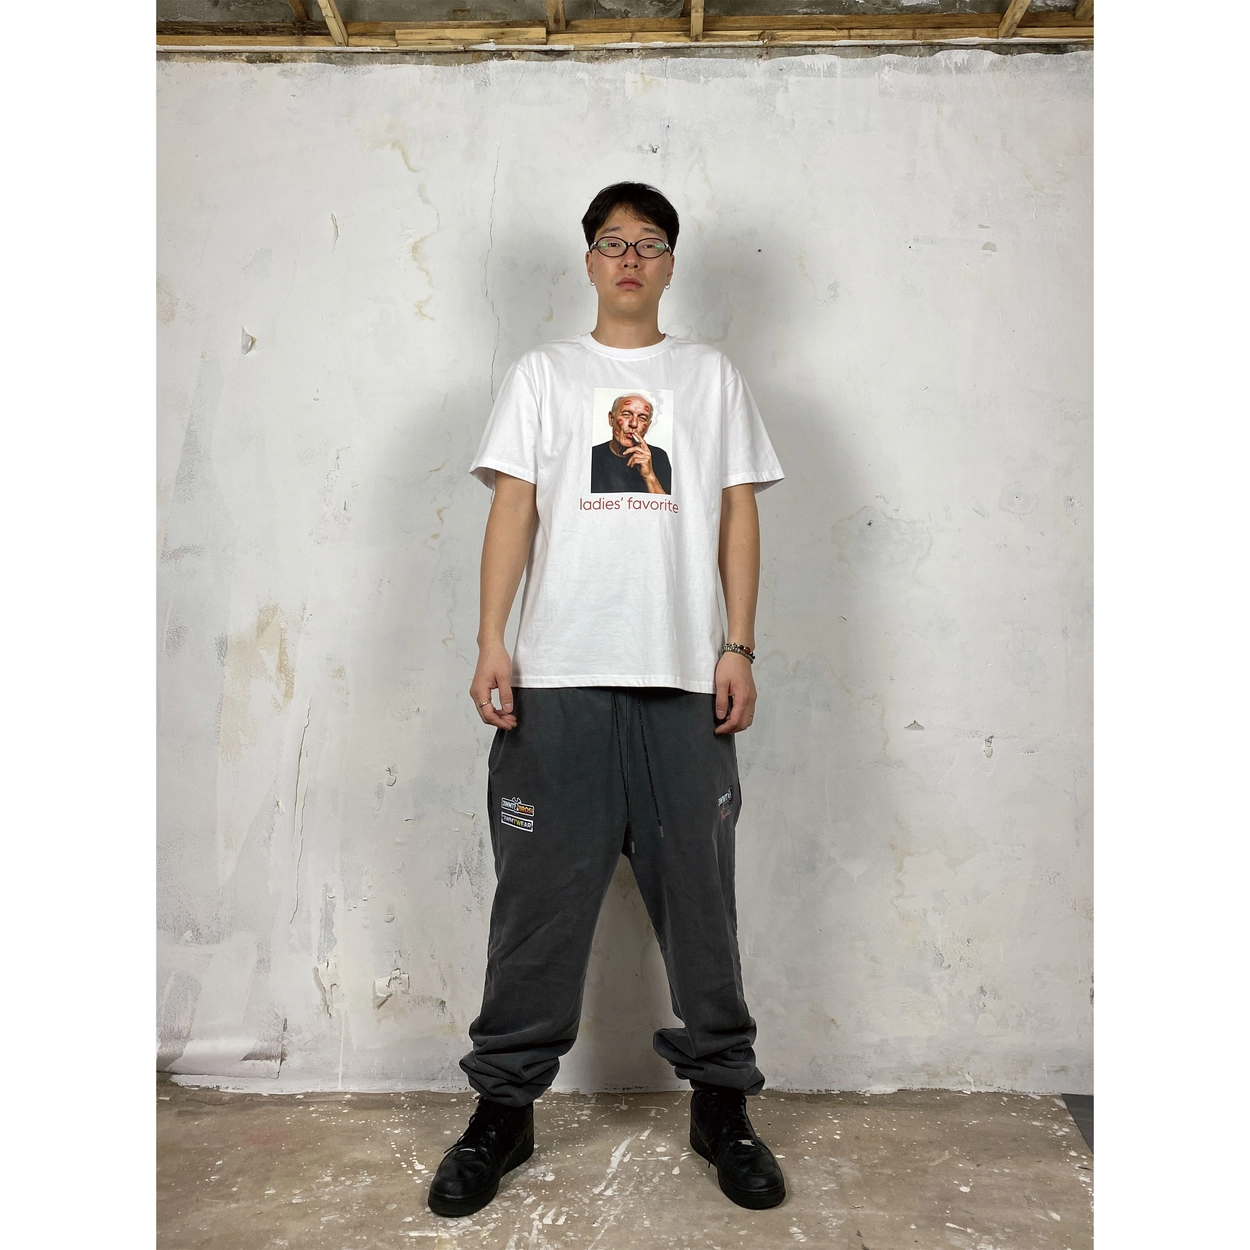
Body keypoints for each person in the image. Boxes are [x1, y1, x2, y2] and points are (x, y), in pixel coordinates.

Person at [428, 181, 786, 1218]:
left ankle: (722, 1105)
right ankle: (503, 1110)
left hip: (681, 679)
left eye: (649, 243)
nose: (630, 258)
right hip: (558, 681)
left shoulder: (709, 377)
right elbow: (513, 509)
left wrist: (737, 645)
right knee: (535, 907)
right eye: (612, 242)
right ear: (587, 259)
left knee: (701, 903)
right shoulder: (544, 374)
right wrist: (492, 640)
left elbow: (736, 517)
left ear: (671, 263)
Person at [590, 392, 673, 493]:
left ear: (647, 427)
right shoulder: (591, 456)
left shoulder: (659, 456)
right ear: (611, 419)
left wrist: (649, 476)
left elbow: (668, 503)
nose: (634, 423)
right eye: (626, 415)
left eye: (642, 418)